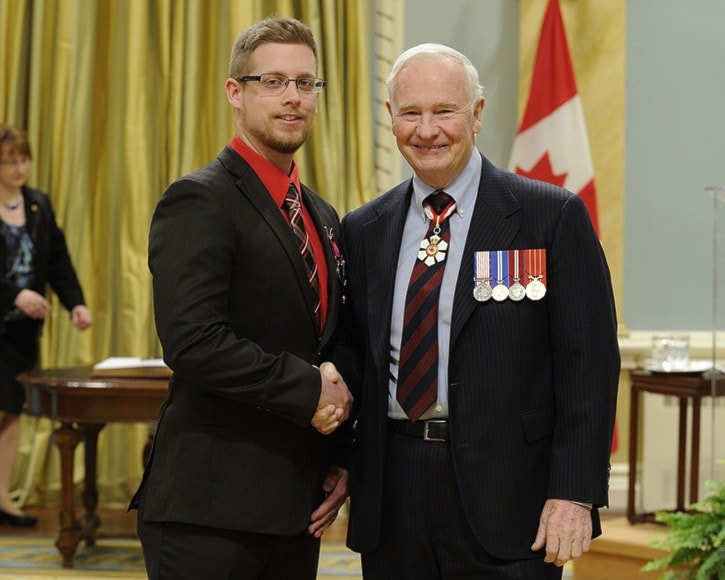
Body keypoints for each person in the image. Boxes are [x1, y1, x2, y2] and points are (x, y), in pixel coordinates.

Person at [335, 44, 620, 578]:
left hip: (513, 500)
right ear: (391, 119)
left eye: (445, 111)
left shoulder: (548, 217)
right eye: (410, 113)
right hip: (395, 496)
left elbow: (590, 365)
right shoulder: (364, 229)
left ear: (478, 115)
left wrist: (575, 493)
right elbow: (355, 354)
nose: (427, 130)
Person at [129, 16, 352, 580]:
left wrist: (342, 455)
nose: (293, 97)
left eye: (306, 83)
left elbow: (331, 342)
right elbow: (193, 342)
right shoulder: (199, 200)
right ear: (236, 92)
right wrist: (310, 391)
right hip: (209, 512)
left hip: (295, 507)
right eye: (273, 81)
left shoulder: (322, 215)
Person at [0, 124, 93, 527]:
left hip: (21, 333)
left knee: (11, 411)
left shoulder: (38, 204)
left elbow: (58, 260)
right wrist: (14, 295)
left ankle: (1, 498)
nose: (19, 168)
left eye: (23, 160)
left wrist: (76, 303)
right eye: (9, 161)